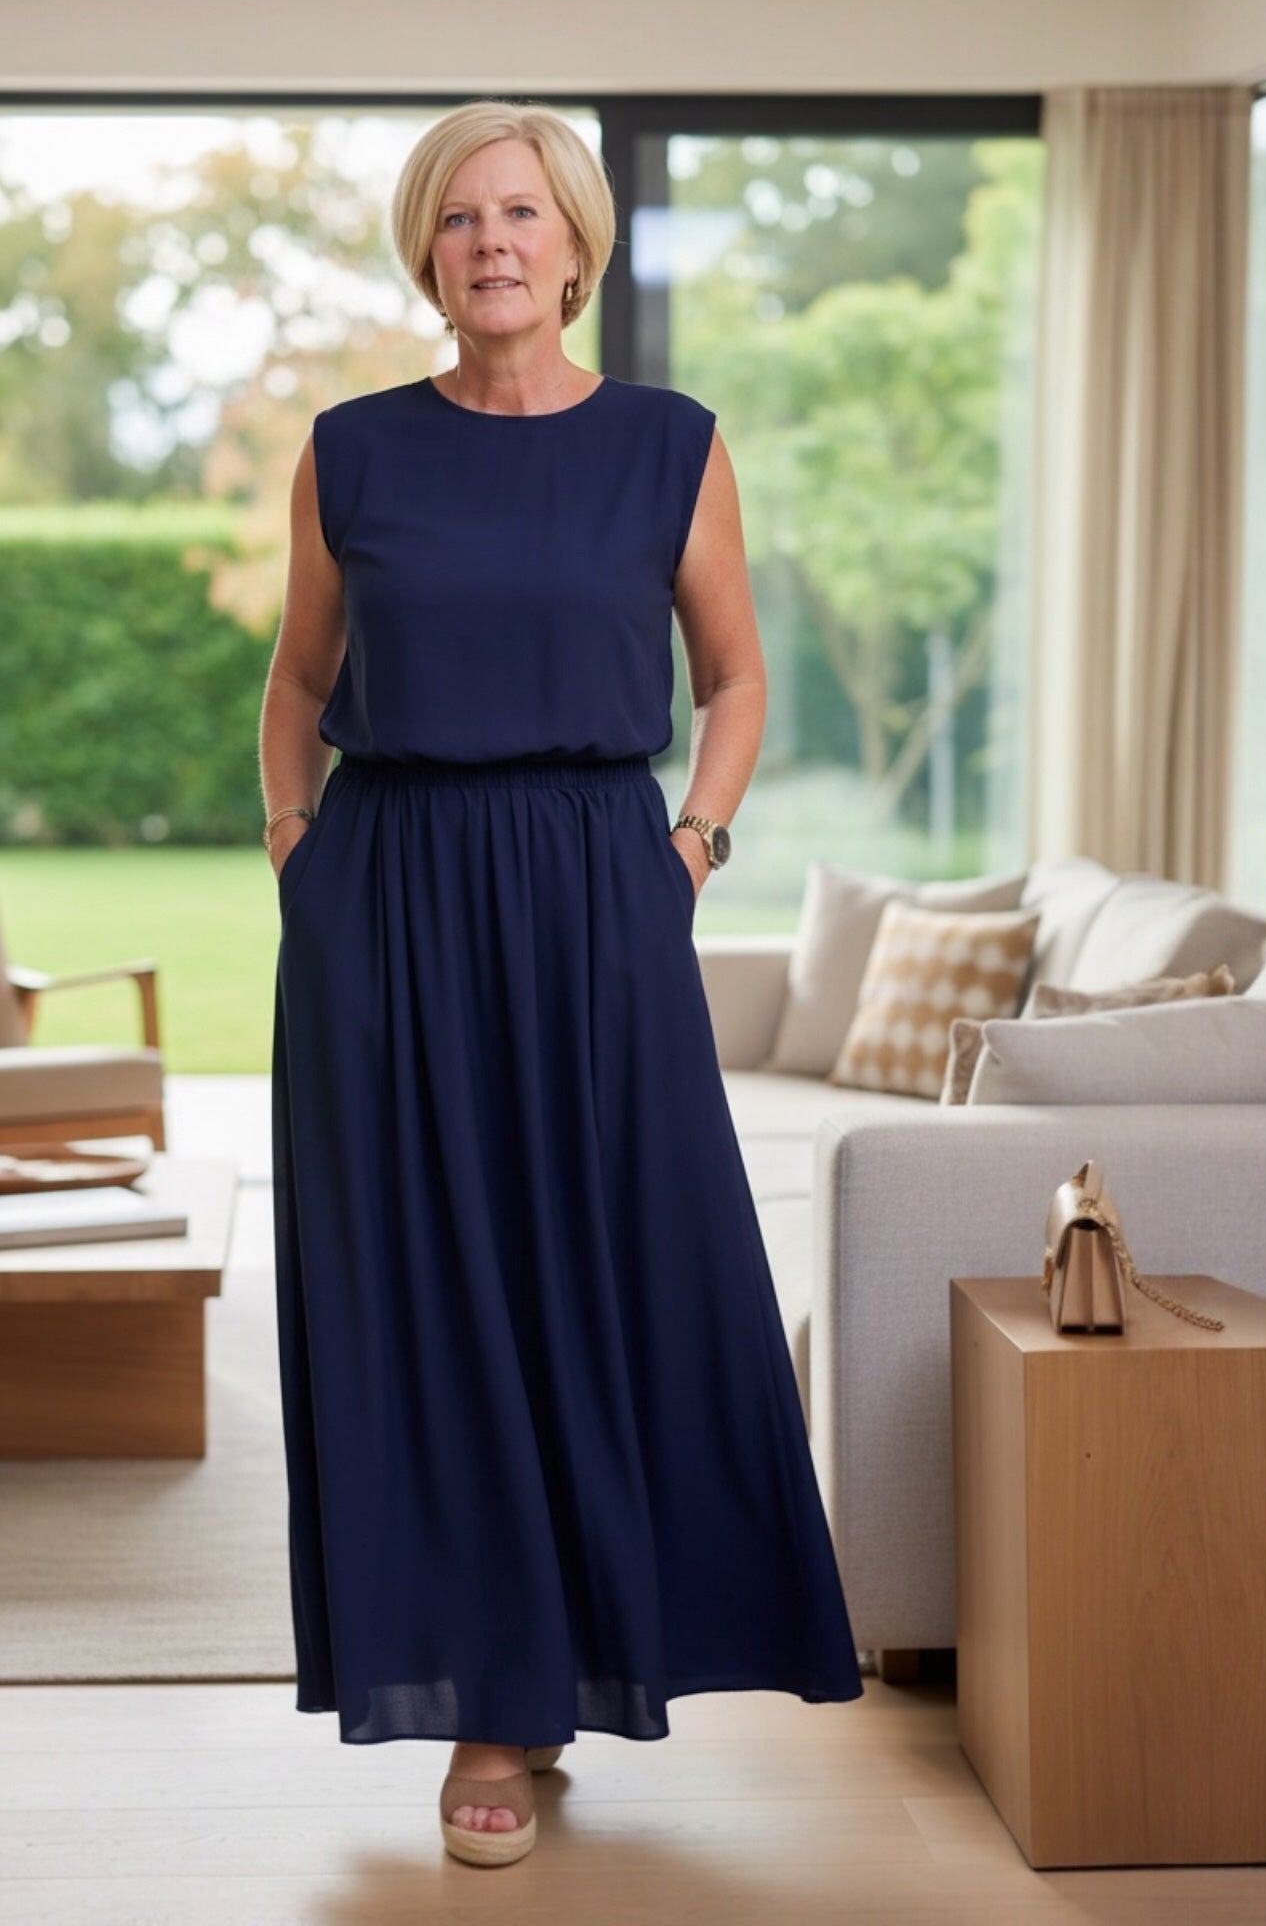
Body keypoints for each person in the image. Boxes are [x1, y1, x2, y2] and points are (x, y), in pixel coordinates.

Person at [260, 97, 863, 1871]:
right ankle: (493, 1709)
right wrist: (299, 850)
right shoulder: (350, 451)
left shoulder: (671, 444)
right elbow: (297, 679)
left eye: (522, 212)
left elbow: (734, 678)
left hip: (603, 892)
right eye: (460, 218)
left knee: (624, 1273)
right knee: (432, 1301)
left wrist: (691, 848)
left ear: (578, 244)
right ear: (426, 252)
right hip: (391, 898)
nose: (492, 244)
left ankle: (595, 1648)